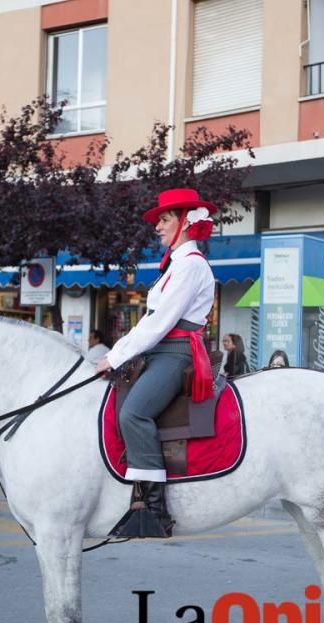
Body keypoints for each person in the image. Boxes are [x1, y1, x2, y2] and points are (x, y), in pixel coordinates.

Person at [94, 188, 217, 539]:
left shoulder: (190, 266)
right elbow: (150, 322)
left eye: (164, 219)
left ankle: (153, 509)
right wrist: (121, 351)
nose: (158, 226)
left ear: (185, 223)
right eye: (160, 220)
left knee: (134, 412)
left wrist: (114, 356)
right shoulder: (176, 265)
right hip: (158, 351)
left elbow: (159, 322)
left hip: (175, 353)